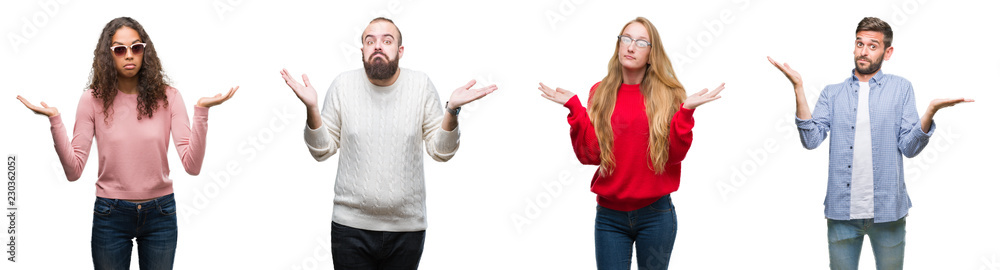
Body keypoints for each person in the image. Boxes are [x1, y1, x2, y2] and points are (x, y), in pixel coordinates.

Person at [15, 17, 238, 269]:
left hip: (161, 213)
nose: (129, 55)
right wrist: (55, 121)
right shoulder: (92, 100)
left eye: (136, 47)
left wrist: (201, 111)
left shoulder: (170, 97)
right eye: (120, 49)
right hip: (110, 214)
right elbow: (73, 171)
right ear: (108, 55)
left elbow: (192, 166)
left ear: (145, 51)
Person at [278, 17, 497, 269]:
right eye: (369, 41)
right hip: (350, 228)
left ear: (400, 51)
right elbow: (322, 151)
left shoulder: (420, 85)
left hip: (407, 230)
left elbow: (441, 151)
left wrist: (452, 112)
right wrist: (312, 109)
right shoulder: (343, 85)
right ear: (362, 51)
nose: (377, 46)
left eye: (387, 40)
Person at [767, 17, 973, 270]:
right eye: (859, 44)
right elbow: (811, 140)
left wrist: (930, 112)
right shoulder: (832, 93)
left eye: (873, 46)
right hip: (841, 212)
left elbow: (909, 148)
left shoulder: (901, 88)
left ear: (888, 52)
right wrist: (798, 87)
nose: (863, 52)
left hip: (889, 212)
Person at [537, 17, 725, 270]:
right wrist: (575, 109)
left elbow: (674, 156)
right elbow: (590, 155)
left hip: (656, 214)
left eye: (640, 42)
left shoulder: (669, 93)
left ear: (651, 54)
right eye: (625, 38)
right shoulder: (600, 91)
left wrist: (685, 112)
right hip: (609, 217)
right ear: (618, 45)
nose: (630, 46)